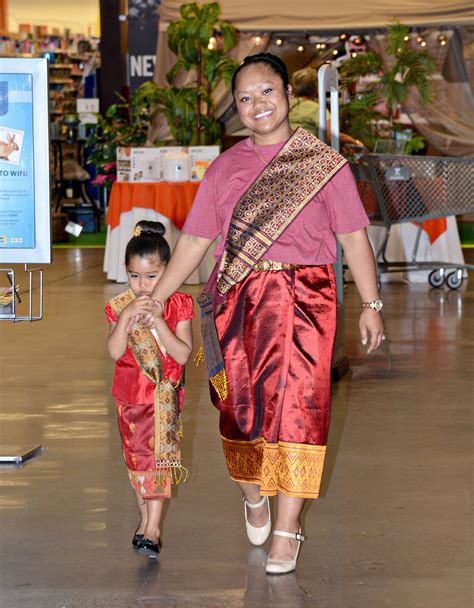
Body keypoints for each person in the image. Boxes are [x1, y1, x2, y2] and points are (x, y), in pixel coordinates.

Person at [149, 53, 384, 574]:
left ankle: (287, 527)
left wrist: (370, 305)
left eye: (266, 92)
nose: (257, 104)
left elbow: (353, 237)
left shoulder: (322, 164)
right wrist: (159, 295)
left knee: (301, 411)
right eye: (245, 98)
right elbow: (195, 240)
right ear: (236, 109)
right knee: (239, 412)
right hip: (238, 302)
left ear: (289, 96)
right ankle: (253, 496)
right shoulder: (226, 168)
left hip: (309, 298)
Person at [105, 220, 193, 557]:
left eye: (152, 277)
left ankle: (153, 529)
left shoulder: (178, 305)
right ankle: (144, 520)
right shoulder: (119, 307)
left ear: (168, 272)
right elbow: (114, 351)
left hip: (161, 399)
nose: (142, 285)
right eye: (134, 276)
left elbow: (183, 353)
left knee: (156, 461)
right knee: (135, 463)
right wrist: (126, 317)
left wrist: (158, 321)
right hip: (128, 399)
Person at [289, 66, 363, 148]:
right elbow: (331, 136)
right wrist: (354, 142)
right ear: (316, 87)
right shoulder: (316, 109)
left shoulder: (286, 105)